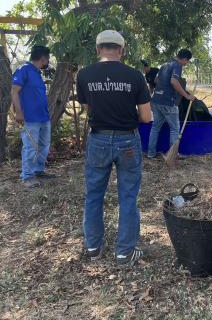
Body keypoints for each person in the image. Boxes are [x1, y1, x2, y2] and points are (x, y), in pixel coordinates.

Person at [76, 30, 152, 265]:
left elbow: (88, 105)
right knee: (128, 196)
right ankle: (125, 251)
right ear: (121, 50)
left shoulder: (84, 75)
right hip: (127, 140)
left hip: (98, 139)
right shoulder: (136, 76)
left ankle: (93, 247)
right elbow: (147, 117)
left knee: (94, 194)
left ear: (98, 50)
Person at [11, 45, 56, 189]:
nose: (48, 61)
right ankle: (27, 176)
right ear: (43, 58)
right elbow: (14, 92)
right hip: (30, 118)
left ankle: (38, 170)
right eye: (48, 58)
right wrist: (18, 112)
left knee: (43, 145)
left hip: (43, 117)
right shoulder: (23, 70)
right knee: (30, 147)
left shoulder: (37, 73)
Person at [147, 49, 194, 158]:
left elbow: (156, 80)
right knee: (174, 128)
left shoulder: (165, 64)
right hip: (168, 102)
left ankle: (150, 153)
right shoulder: (177, 65)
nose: (186, 64)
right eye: (187, 61)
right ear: (184, 59)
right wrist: (186, 96)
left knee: (155, 127)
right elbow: (174, 81)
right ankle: (172, 156)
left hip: (156, 100)